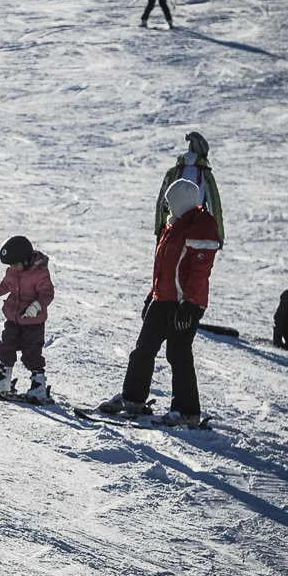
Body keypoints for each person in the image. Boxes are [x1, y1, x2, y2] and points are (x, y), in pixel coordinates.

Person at [100, 178, 220, 424]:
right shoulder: (172, 226)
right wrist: (152, 294)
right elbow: (164, 268)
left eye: (169, 201)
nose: (166, 206)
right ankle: (132, 399)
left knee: (178, 355)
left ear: (180, 202)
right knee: (143, 350)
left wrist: (189, 304)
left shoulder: (201, 227)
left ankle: (187, 412)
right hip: (163, 298)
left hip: (185, 303)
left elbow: (200, 272)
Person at [0, 235, 56, 403]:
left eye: (15, 264)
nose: (12, 267)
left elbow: (47, 293)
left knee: (31, 353)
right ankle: (3, 380)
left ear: (27, 260)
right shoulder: (13, 270)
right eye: (10, 265)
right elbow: (6, 285)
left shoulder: (39, 273)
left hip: (33, 322)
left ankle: (38, 386)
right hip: (13, 318)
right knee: (6, 347)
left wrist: (35, 307)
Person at [154, 130, 224, 245]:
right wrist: (218, 234)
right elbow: (214, 205)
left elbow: (162, 202)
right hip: (195, 227)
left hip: (171, 226)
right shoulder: (205, 174)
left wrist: (159, 230)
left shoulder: (174, 172)